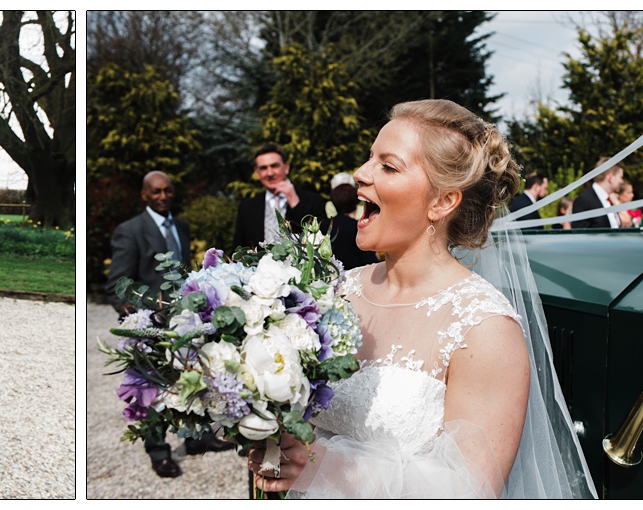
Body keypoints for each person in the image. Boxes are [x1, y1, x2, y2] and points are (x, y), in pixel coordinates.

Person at [249, 99, 594, 498]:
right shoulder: (335, 292)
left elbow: (472, 491)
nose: (361, 174)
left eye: (388, 166)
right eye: (369, 159)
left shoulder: (484, 327)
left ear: (442, 202)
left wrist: (326, 468)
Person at [103, 170, 235, 477]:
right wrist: (141, 322)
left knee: (194, 381)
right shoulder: (130, 230)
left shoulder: (182, 227)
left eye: (167, 191)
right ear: (145, 196)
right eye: (156, 192)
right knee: (151, 390)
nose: (163, 196)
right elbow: (116, 286)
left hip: (187, 322)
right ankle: (159, 451)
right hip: (151, 326)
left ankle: (197, 439)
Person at [233, 144, 329, 251]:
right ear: (257, 173)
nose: (269, 173)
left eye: (274, 166)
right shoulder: (247, 207)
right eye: (263, 168)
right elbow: (239, 248)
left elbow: (320, 240)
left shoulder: (313, 201)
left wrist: (295, 203)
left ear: (286, 167)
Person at [327, 183, 379, 269]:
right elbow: (370, 261)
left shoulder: (324, 226)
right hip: (358, 275)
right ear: (356, 202)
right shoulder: (359, 228)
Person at [570, 158, 623, 229]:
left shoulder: (609, 201)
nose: (621, 181)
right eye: (620, 177)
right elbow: (580, 234)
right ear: (611, 177)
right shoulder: (584, 200)